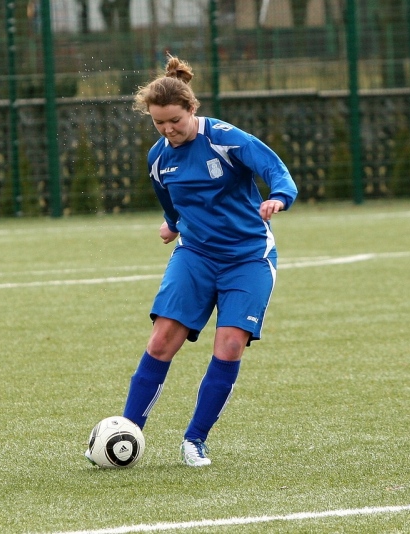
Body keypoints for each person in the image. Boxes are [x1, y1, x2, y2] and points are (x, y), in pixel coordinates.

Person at [86, 55, 298, 468]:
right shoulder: (159, 158)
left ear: (191, 110)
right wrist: (172, 225)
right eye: (159, 123)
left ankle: (194, 440)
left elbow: (277, 170)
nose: (168, 130)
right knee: (163, 338)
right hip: (196, 255)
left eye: (175, 122)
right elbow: (169, 200)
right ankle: (126, 435)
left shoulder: (226, 138)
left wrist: (277, 198)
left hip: (248, 257)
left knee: (231, 343)